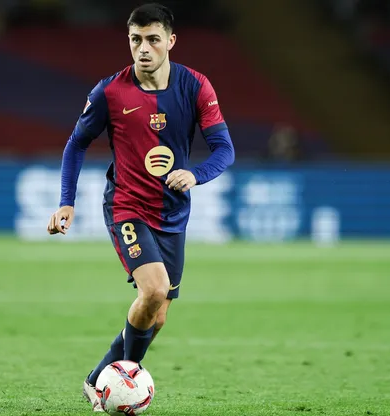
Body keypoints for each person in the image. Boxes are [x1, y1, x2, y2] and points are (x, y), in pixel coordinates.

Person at [46, 3, 235, 412]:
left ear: (171, 41)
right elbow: (76, 144)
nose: (143, 48)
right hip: (127, 205)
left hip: (172, 212)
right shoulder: (109, 92)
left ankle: (99, 378)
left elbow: (225, 149)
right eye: (136, 40)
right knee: (153, 289)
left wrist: (195, 175)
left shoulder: (195, 86)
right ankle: (124, 380)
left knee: (157, 314)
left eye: (152, 39)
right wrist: (66, 202)